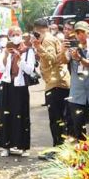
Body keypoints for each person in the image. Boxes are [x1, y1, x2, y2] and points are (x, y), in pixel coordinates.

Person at [0, 26, 36, 157]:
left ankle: (23, 147)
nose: (15, 36)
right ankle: (6, 146)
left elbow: (30, 70)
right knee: (5, 115)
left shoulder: (28, 51)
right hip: (7, 85)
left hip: (21, 86)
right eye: (12, 34)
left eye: (17, 33)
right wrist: (6, 55)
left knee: (21, 114)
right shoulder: (6, 50)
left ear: (21, 35)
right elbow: (1, 69)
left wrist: (20, 59)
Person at [31, 18, 71, 147]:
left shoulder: (47, 40)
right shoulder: (48, 38)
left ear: (37, 30)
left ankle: (59, 149)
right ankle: (61, 148)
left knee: (56, 119)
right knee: (59, 119)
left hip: (56, 84)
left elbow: (53, 59)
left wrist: (39, 48)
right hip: (57, 82)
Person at [64, 21, 89, 140]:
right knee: (78, 128)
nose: (80, 36)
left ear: (88, 33)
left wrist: (79, 59)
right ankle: (81, 154)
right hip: (76, 94)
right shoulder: (72, 49)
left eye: (82, 32)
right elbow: (62, 61)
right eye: (77, 33)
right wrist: (62, 49)